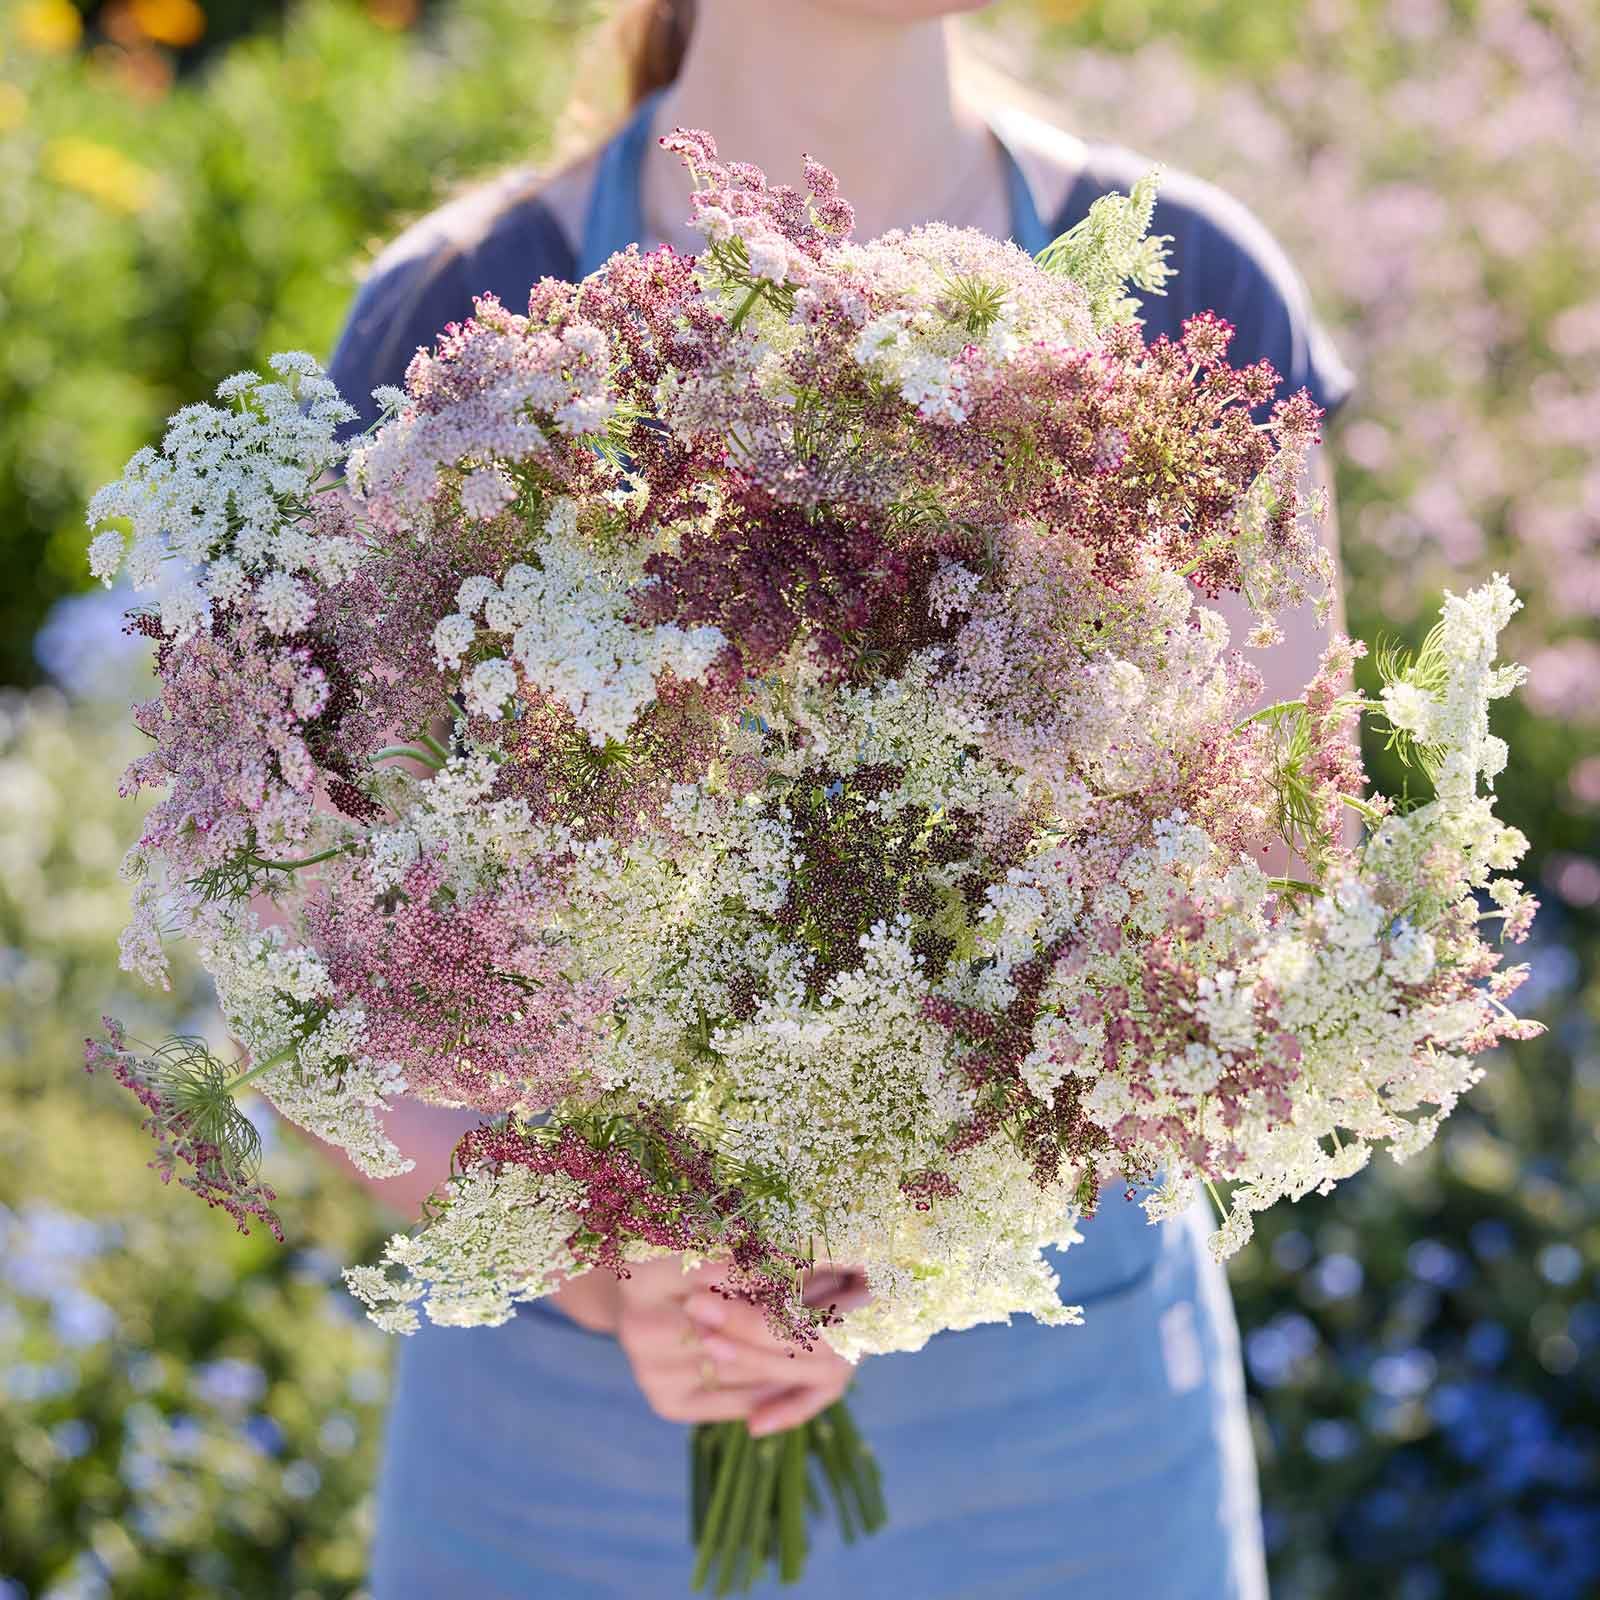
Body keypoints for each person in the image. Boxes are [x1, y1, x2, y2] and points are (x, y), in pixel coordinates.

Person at [324, 2, 1354, 1593]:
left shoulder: (1190, 289)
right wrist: (619, 1274)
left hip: (1066, 1424)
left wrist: (951, 1183)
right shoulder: (458, 313)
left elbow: (1291, 879)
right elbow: (321, 969)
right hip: (560, 1445)